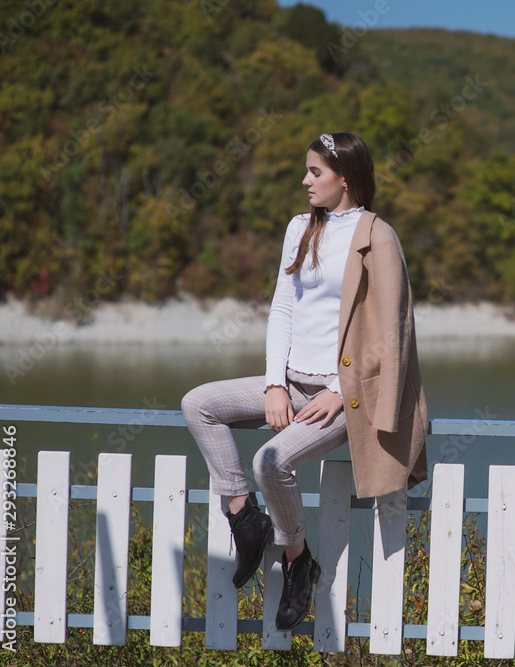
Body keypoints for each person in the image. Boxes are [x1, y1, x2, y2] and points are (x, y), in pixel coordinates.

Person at [182, 132, 429, 632]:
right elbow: (282, 307)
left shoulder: (376, 235)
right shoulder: (300, 227)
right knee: (198, 403)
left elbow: (393, 329)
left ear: (346, 178)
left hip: (345, 398)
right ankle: (244, 518)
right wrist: (274, 384)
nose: (305, 181)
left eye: (315, 172)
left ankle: (298, 560)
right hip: (292, 384)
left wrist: (340, 391)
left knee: (269, 461)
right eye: (307, 171)